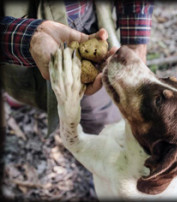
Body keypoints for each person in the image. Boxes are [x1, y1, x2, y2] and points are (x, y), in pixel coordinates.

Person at [0, 0, 154, 135]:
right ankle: (23, 96)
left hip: (82, 24)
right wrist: (26, 38)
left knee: (102, 122)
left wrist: (135, 41)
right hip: (14, 31)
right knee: (18, 82)